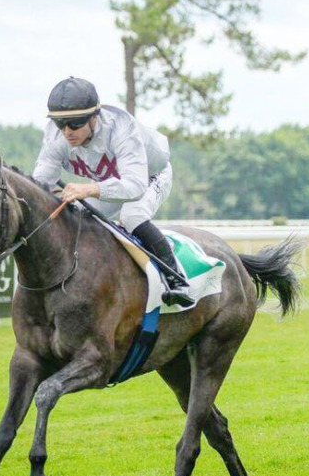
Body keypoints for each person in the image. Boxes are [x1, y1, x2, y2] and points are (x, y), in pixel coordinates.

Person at [32, 76, 194, 307]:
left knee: (131, 216)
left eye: (75, 123)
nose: (67, 132)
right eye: (61, 124)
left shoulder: (120, 129)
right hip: (108, 181)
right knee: (76, 214)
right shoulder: (56, 137)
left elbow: (135, 186)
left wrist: (88, 188)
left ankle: (177, 279)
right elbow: (40, 183)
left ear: (94, 118)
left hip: (148, 176)